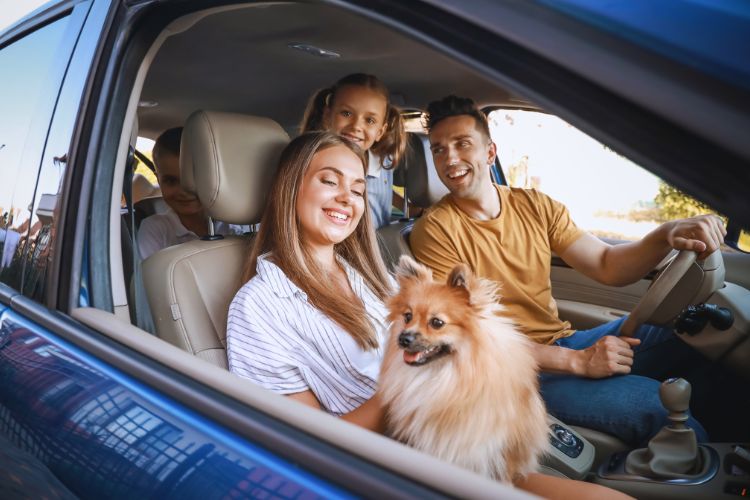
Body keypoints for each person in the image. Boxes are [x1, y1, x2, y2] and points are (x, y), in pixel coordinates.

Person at [226, 131, 629, 499]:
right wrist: (405, 389)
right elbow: (302, 446)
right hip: (398, 470)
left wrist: (557, 363)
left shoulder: (372, 277)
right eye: (330, 181)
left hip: (463, 444)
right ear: (290, 186)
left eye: (358, 189)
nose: (347, 199)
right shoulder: (260, 307)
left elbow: (468, 335)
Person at [409, 95, 728, 446]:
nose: (449, 158)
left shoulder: (535, 205)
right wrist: (577, 362)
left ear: (489, 152)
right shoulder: (435, 231)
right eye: (438, 149)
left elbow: (607, 265)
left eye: (462, 144)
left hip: (563, 342)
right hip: (512, 374)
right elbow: (466, 338)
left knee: (694, 331)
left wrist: (665, 234)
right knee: (657, 405)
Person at [300, 73, 406, 229]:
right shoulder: (313, 161)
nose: (356, 126)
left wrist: (410, 209)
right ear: (328, 115)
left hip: (377, 247)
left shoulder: (383, 161)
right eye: (346, 113)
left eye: (369, 120)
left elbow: (383, 196)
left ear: (380, 132)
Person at [137, 127, 244, 259]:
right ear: (159, 180)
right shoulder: (155, 230)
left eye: (194, 179)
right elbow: (149, 277)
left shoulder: (235, 224)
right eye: (171, 181)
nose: (184, 191)